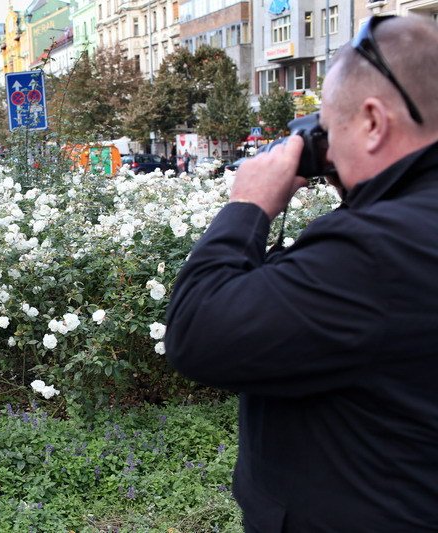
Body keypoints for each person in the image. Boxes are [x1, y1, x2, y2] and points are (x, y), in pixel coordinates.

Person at [164, 16, 438, 531]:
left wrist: (247, 206)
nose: (326, 153)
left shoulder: (374, 252)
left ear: (375, 123)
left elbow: (197, 331)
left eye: (331, 133)